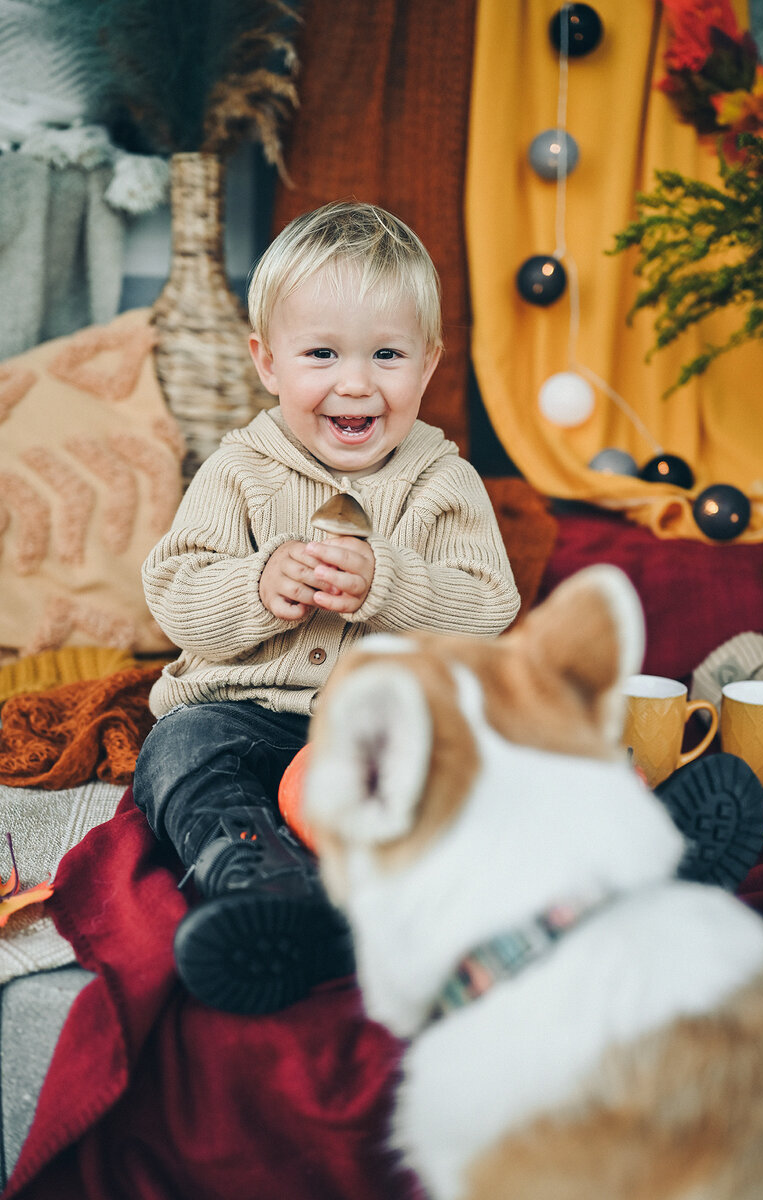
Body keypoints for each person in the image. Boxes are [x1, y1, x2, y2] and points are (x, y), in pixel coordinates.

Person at [133, 200, 521, 1016]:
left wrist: (388, 582)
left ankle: (447, 892)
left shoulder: (442, 481)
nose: (355, 382)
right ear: (267, 362)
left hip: (383, 727)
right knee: (177, 750)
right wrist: (257, 586)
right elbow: (176, 594)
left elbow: (489, 607)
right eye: (321, 353)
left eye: (386, 354)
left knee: (478, 765)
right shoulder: (239, 470)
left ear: (427, 364)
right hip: (245, 717)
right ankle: (259, 883)